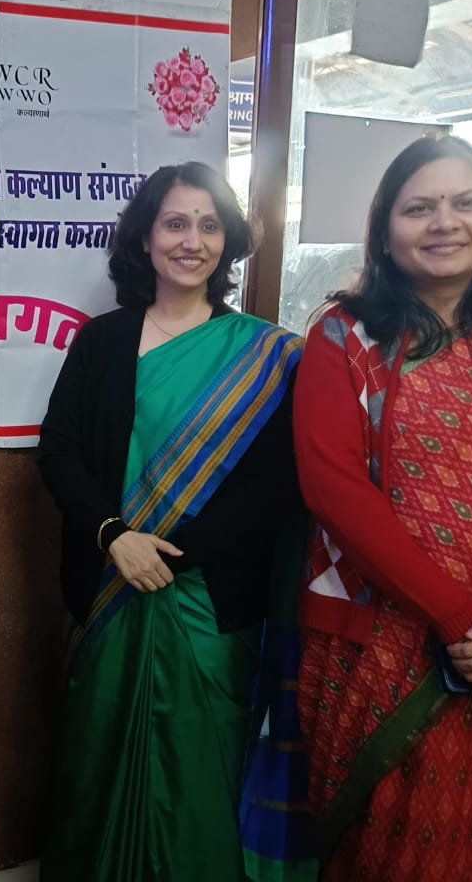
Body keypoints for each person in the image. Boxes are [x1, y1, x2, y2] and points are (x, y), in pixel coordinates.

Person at [294, 135, 472, 881]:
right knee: (386, 854)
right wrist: (470, 631)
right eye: (419, 208)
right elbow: (333, 489)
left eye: (463, 203)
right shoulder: (345, 337)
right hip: (382, 646)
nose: (443, 222)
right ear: (385, 230)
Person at [36, 161, 304, 880]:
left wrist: (173, 555)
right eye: (176, 223)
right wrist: (116, 538)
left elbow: (276, 490)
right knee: (98, 756)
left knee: (200, 770)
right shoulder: (101, 340)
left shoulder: (269, 355)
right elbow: (59, 452)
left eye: (210, 225)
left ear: (229, 240)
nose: (193, 241)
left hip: (210, 600)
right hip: (111, 580)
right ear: (146, 238)